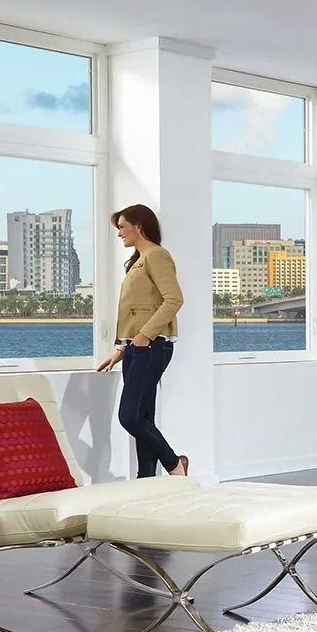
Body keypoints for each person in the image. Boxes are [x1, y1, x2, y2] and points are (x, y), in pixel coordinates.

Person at [98, 204, 189, 478]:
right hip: (137, 349)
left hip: (151, 346)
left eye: (123, 226)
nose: (119, 233)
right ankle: (147, 481)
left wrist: (144, 336)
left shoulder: (157, 256)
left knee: (131, 417)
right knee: (143, 417)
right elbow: (135, 311)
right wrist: (122, 349)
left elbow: (174, 299)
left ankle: (174, 465)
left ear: (139, 226)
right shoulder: (139, 260)